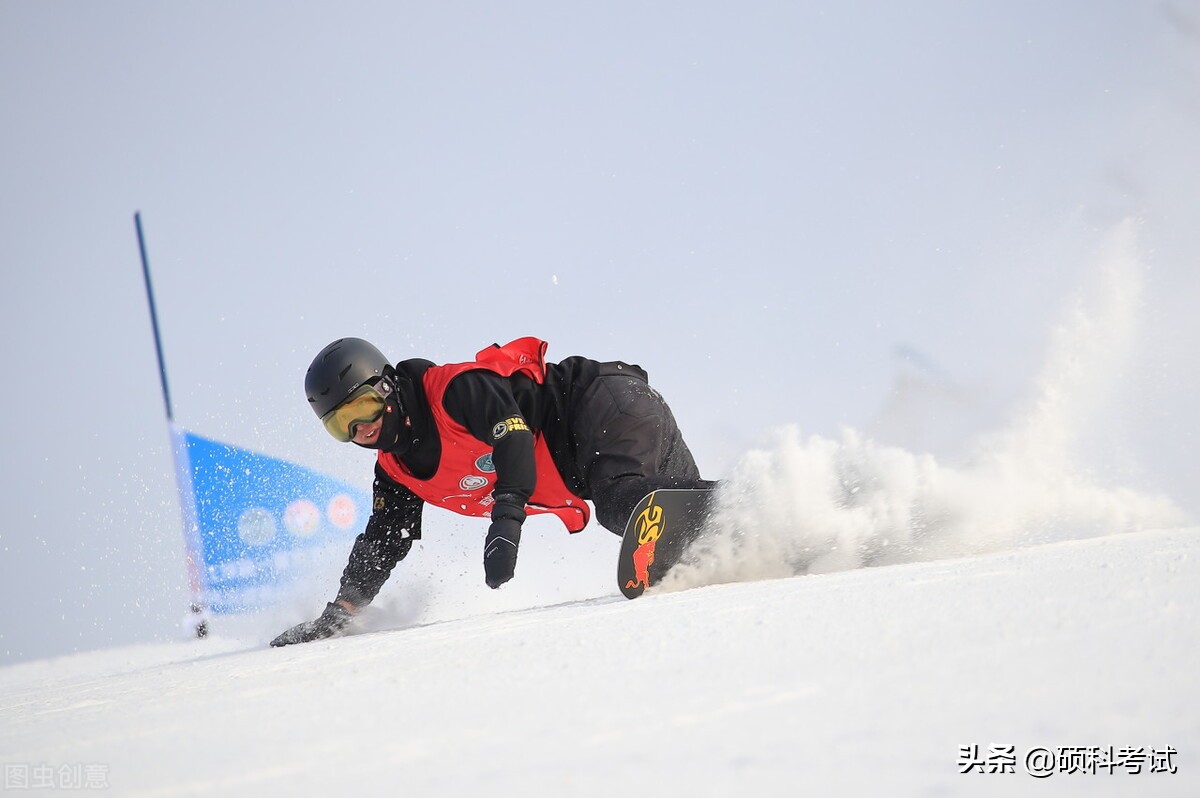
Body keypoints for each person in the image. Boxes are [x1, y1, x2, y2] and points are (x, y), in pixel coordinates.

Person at [270, 336, 714, 646]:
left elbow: (513, 436)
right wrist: (342, 612)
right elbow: (385, 541)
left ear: (386, 386)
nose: (360, 430)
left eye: (361, 408)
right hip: (602, 442)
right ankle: (761, 518)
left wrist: (507, 519)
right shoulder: (396, 470)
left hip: (600, 402)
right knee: (688, 538)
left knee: (624, 504)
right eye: (339, 426)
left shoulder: (452, 390)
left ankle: (752, 503)